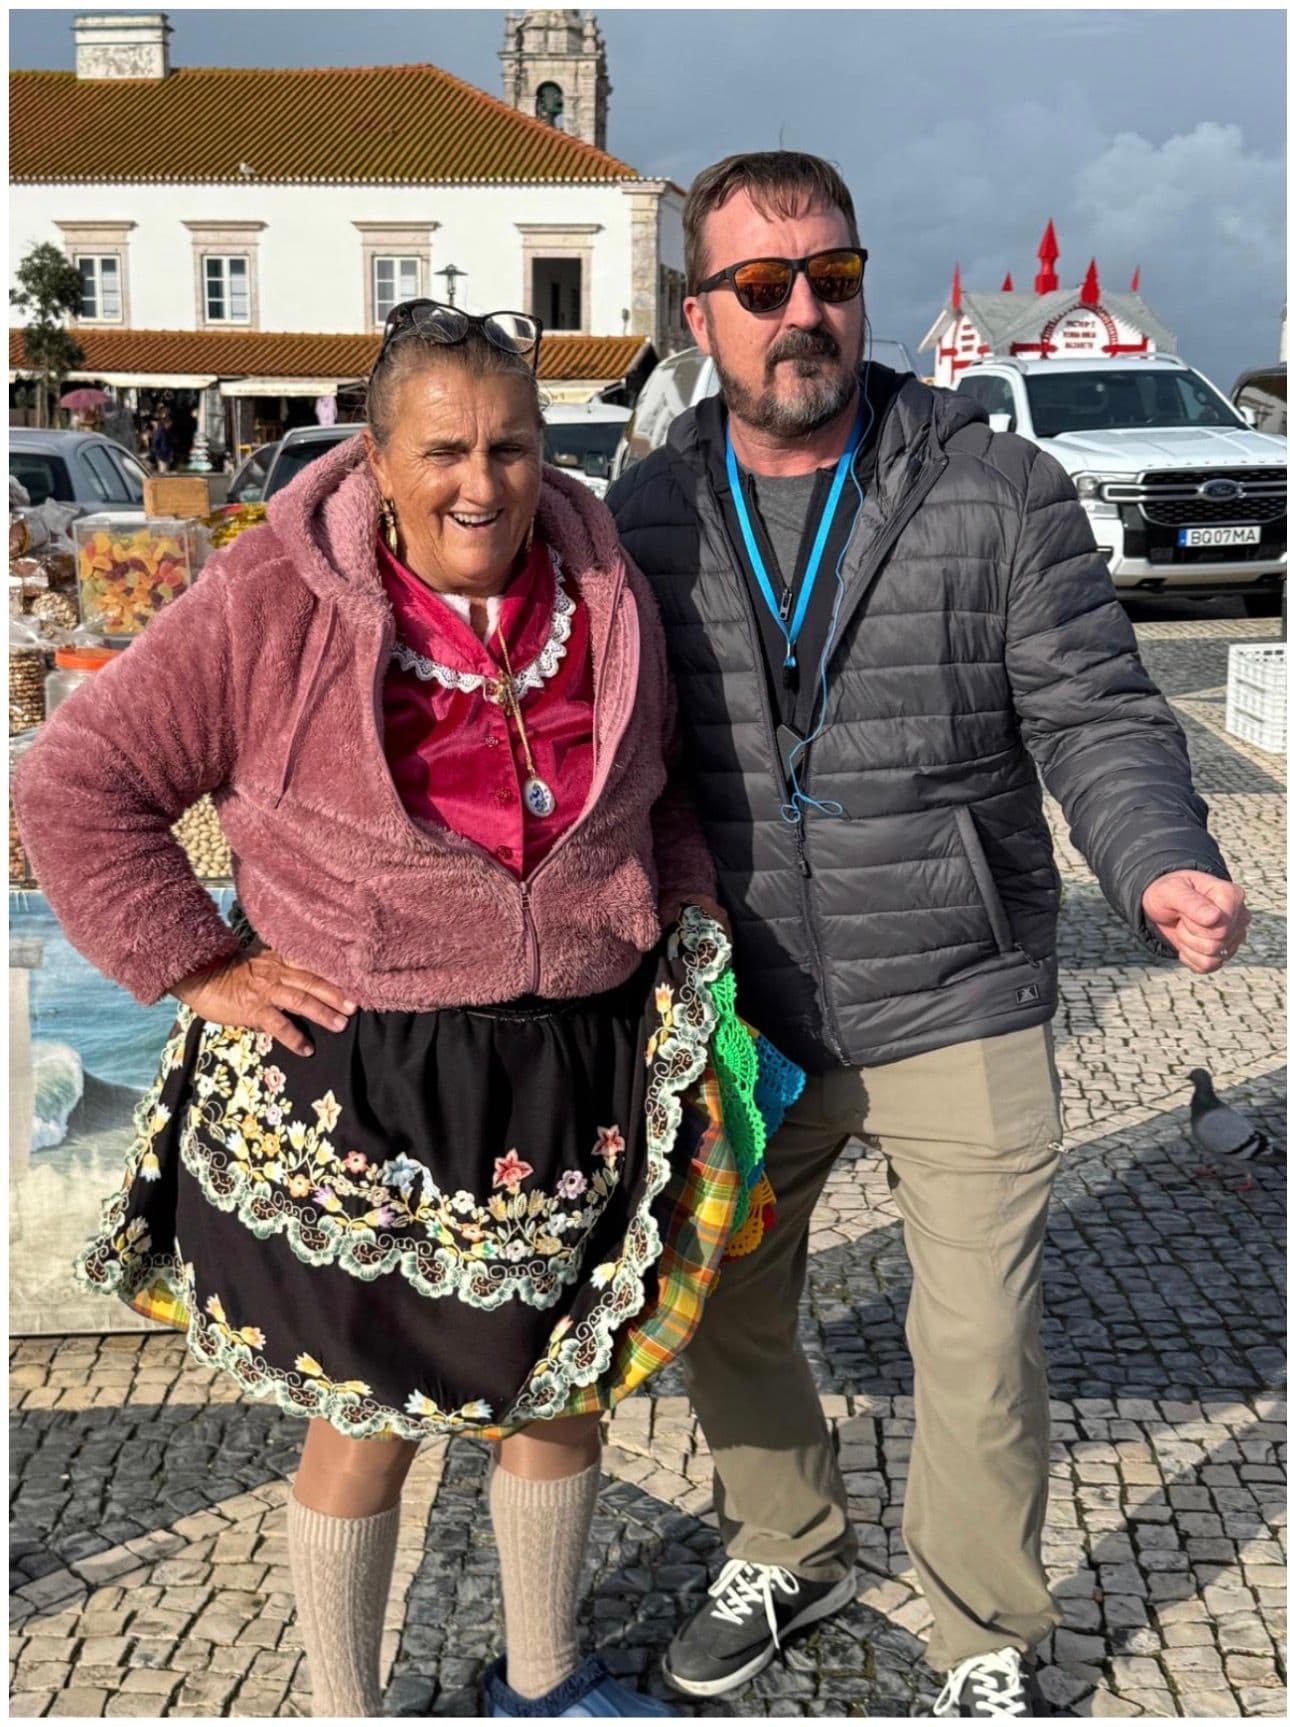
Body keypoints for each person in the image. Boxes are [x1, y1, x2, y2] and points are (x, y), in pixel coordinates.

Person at [13, 299, 777, 1720]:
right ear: (373, 457)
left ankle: (543, 1680)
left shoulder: (602, 590)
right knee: (362, 1423)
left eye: (510, 446)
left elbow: (656, 784)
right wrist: (197, 963)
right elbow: (74, 783)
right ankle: (345, 1709)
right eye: (441, 451)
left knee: (564, 1389)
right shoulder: (269, 600)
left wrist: (680, 920)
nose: (479, 483)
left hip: (577, 1065)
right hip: (360, 1078)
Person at [607, 152, 1250, 1718]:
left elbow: (1097, 709)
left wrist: (1158, 860)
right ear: (702, 314)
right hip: (749, 1011)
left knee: (977, 1343)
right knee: (728, 1313)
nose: (802, 310)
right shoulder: (647, 516)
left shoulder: (991, 487)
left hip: (955, 985)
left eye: (831, 272)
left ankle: (978, 1634)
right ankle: (790, 1539)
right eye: (761, 288)